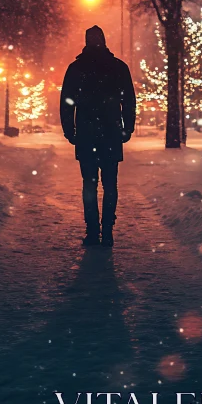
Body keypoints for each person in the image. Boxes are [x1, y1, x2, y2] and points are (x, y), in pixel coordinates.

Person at [60, 25, 136, 247]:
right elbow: (128, 101)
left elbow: (67, 102)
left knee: (89, 184)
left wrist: (69, 130)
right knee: (110, 184)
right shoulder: (118, 67)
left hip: (86, 133)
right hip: (110, 132)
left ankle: (93, 231)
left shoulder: (76, 69)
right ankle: (108, 231)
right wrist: (127, 127)